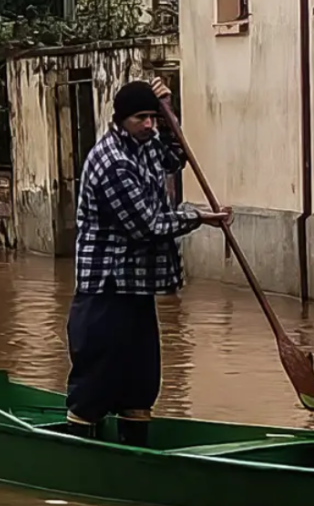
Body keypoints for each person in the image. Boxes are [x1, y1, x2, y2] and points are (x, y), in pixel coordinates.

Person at [64, 77, 232, 446]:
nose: (149, 125)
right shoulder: (112, 162)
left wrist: (170, 109)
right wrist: (200, 217)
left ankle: (135, 448)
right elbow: (147, 226)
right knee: (96, 380)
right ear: (122, 119)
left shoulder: (148, 143)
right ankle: (78, 451)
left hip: (138, 286)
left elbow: (177, 154)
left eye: (152, 118)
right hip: (105, 288)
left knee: (141, 381)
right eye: (142, 118)